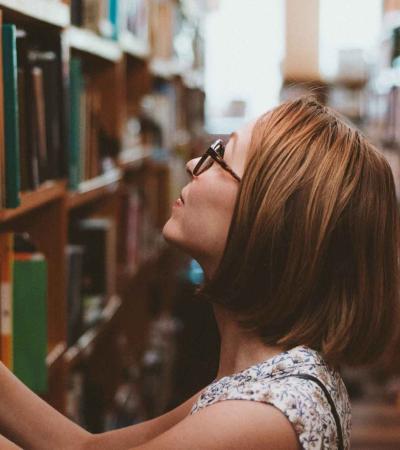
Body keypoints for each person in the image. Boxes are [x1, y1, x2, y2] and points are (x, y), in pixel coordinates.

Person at [0, 96, 399, 449]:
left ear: (270, 218)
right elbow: (85, 447)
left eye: (221, 157)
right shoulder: (262, 380)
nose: (194, 163)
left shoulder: (260, 417)